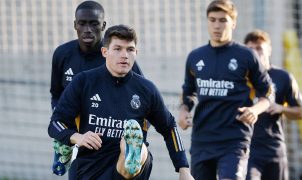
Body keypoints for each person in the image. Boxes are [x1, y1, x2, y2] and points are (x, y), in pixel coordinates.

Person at [48, 24, 194, 180]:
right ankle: (132, 153)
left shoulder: (146, 89)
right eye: (118, 49)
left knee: (138, 150)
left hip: (129, 167)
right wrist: (78, 137)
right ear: (105, 52)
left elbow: (169, 127)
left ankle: (133, 153)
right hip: (90, 165)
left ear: (136, 53)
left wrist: (183, 168)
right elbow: (56, 123)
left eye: (130, 50)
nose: (125, 55)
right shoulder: (84, 82)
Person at [178, 0, 274, 179]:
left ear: (233, 23)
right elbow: (188, 90)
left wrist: (255, 110)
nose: (217, 25)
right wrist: (183, 111)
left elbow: (268, 92)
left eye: (223, 20)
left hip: (234, 140)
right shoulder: (195, 56)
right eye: (212, 20)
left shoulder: (246, 56)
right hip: (202, 140)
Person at [49, 1, 144, 176]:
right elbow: (56, 94)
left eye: (94, 23)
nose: (87, 29)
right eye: (82, 23)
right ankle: (66, 149)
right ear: (75, 25)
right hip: (75, 128)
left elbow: (142, 99)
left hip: (107, 131)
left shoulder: (117, 57)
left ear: (103, 26)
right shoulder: (62, 54)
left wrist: (136, 138)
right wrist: (62, 130)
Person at [244, 30, 302, 180]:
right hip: (248, 148)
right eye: (250, 49)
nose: (255, 53)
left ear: (269, 49)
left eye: (259, 48)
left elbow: (300, 112)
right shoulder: (240, 78)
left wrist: (281, 108)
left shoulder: (283, 77)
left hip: (274, 149)